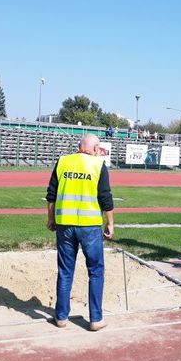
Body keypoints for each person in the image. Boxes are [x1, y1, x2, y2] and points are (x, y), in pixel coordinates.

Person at [46, 133, 114, 331]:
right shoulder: (97, 165)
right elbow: (105, 198)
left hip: (64, 225)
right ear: (93, 149)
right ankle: (96, 319)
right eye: (98, 148)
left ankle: (60, 317)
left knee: (65, 271)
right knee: (96, 271)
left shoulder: (63, 162)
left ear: (79, 146)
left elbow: (51, 194)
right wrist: (110, 223)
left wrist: (50, 219)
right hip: (90, 226)